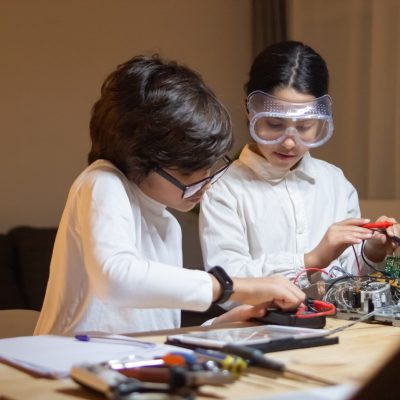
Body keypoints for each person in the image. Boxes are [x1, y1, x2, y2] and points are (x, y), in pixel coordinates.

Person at [34, 54, 305, 336]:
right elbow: (116, 279)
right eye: (189, 173)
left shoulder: (168, 227)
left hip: (129, 365)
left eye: (209, 169)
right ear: (140, 160)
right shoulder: (102, 181)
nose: (205, 184)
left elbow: (158, 334)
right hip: (66, 366)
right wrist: (231, 286)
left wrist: (234, 320)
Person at [199, 40, 399, 290]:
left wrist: (372, 251)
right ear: (249, 110)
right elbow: (226, 283)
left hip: (339, 327)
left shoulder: (335, 183)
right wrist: (311, 260)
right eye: (274, 124)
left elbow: (349, 282)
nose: (290, 143)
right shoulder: (224, 189)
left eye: (304, 127)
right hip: (259, 329)